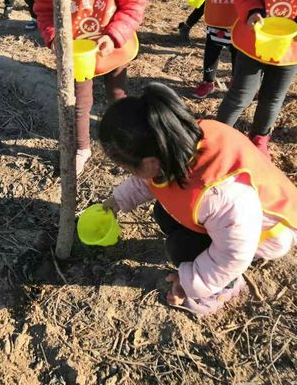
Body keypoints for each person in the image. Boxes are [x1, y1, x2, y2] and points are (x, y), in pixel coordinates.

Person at [99, 83, 297, 316]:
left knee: (181, 248)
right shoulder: (176, 141)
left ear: (150, 162)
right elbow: (147, 180)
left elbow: (233, 254)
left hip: (268, 233)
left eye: (127, 167)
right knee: (164, 211)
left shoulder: (219, 194)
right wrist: (117, 201)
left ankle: (227, 287)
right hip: (234, 221)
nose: (128, 172)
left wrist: (190, 281)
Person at [34, 0, 147, 175]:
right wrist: (55, 40)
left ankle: (123, 143)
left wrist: (114, 35)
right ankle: (81, 148)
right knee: (78, 104)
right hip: (77, 53)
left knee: (117, 96)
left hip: (113, 48)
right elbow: (43, 11)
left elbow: (134, 4)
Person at [217, 0, 297, 158]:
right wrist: (252, 11)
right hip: (255, 39)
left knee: (274, 97)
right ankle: (218, 135)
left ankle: (259, 137)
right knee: (240, 94)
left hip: (291, 47)